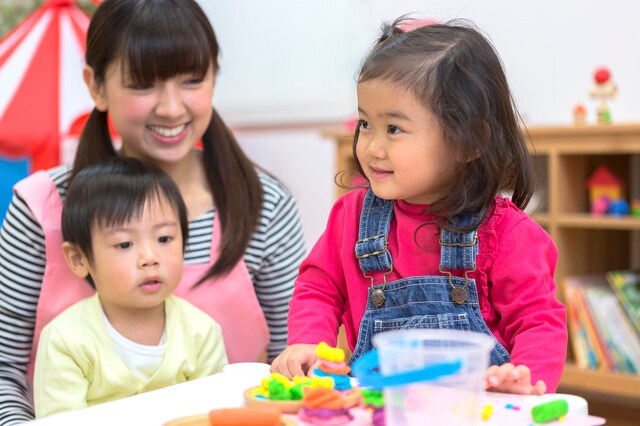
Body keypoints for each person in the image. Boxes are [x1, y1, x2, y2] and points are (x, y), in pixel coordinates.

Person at [0, 0, 306, 423]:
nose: (171, 108)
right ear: (97, 86)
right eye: (144, 85)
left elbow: (290, 363)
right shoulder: (41, 207)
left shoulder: (263, 205)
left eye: (192, 80)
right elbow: (4, 370)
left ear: (214, 78)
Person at [271, 18, 567, 395]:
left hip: (476, 412)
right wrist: (309, 341)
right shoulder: (351, 217)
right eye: (365, 124)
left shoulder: (509, 233)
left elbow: (538, 322)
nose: (372, 147)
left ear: (468, 141)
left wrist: (525, 380)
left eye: (394, 129)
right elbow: (319, 288)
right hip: (379, 408)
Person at [34, 157, 228, 417]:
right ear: (79, 259)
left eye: (164, 238)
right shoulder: (65, 340)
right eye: (125, 244)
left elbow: (214, 415)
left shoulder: (201, 331)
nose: (150, 257)